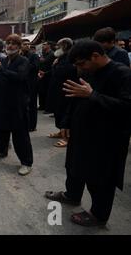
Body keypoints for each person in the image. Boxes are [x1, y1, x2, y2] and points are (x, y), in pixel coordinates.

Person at [45, 40, 131, 227]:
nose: (79, 68)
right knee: (74, 167)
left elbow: (126, 107)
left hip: (105, 139)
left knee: (99, 178)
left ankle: (98, 215)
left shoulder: (122, 74)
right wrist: (67, 122)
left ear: (95, 56)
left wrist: (93, 95)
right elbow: (76, 97)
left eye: (81, 63)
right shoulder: (90, 72)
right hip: (81, 132)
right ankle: (72, 195)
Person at [0, 34, 34, 176]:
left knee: (20, 134)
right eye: (8, 43)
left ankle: (26, 163)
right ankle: (1, 150)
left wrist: (1, 69)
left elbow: (19, 77)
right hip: (1, 101)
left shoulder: (23, 61)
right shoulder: (5, 60)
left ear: (19, 47)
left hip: (17, 103)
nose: (10, 46)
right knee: (0, 128)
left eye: (14, 43)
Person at [46, 38, 77, 148]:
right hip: (58, 89)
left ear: (65, 45)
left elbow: (63, 72)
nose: (56, 47)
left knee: (65, 113)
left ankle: (67, 137)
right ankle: (61, 131)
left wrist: (55, 65)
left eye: (59, 46)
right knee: (58, 111)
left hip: (66, 89)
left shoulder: (69, 57)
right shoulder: (61, 57)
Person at [21, 39, 39, 132]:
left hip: (32, 83)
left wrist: (24, 64)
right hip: (23, 83)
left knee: (32, 105)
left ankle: (32, 125)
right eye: (25, 44)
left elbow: (35, 67)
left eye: (28, 44)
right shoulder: (21, 56)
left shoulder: (34, 56)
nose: (27, 45)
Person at [38, 42, 56, 113]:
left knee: (47, 92)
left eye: (45, 44)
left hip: (48, 75)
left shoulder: (52, 54)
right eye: (43, 44)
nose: (43, 46)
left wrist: (45, 73)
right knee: (41, 91)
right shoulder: (43, 54)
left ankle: (48, 108)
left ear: (49, 45)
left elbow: (52, 66)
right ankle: (42, 105)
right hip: (41, 75)